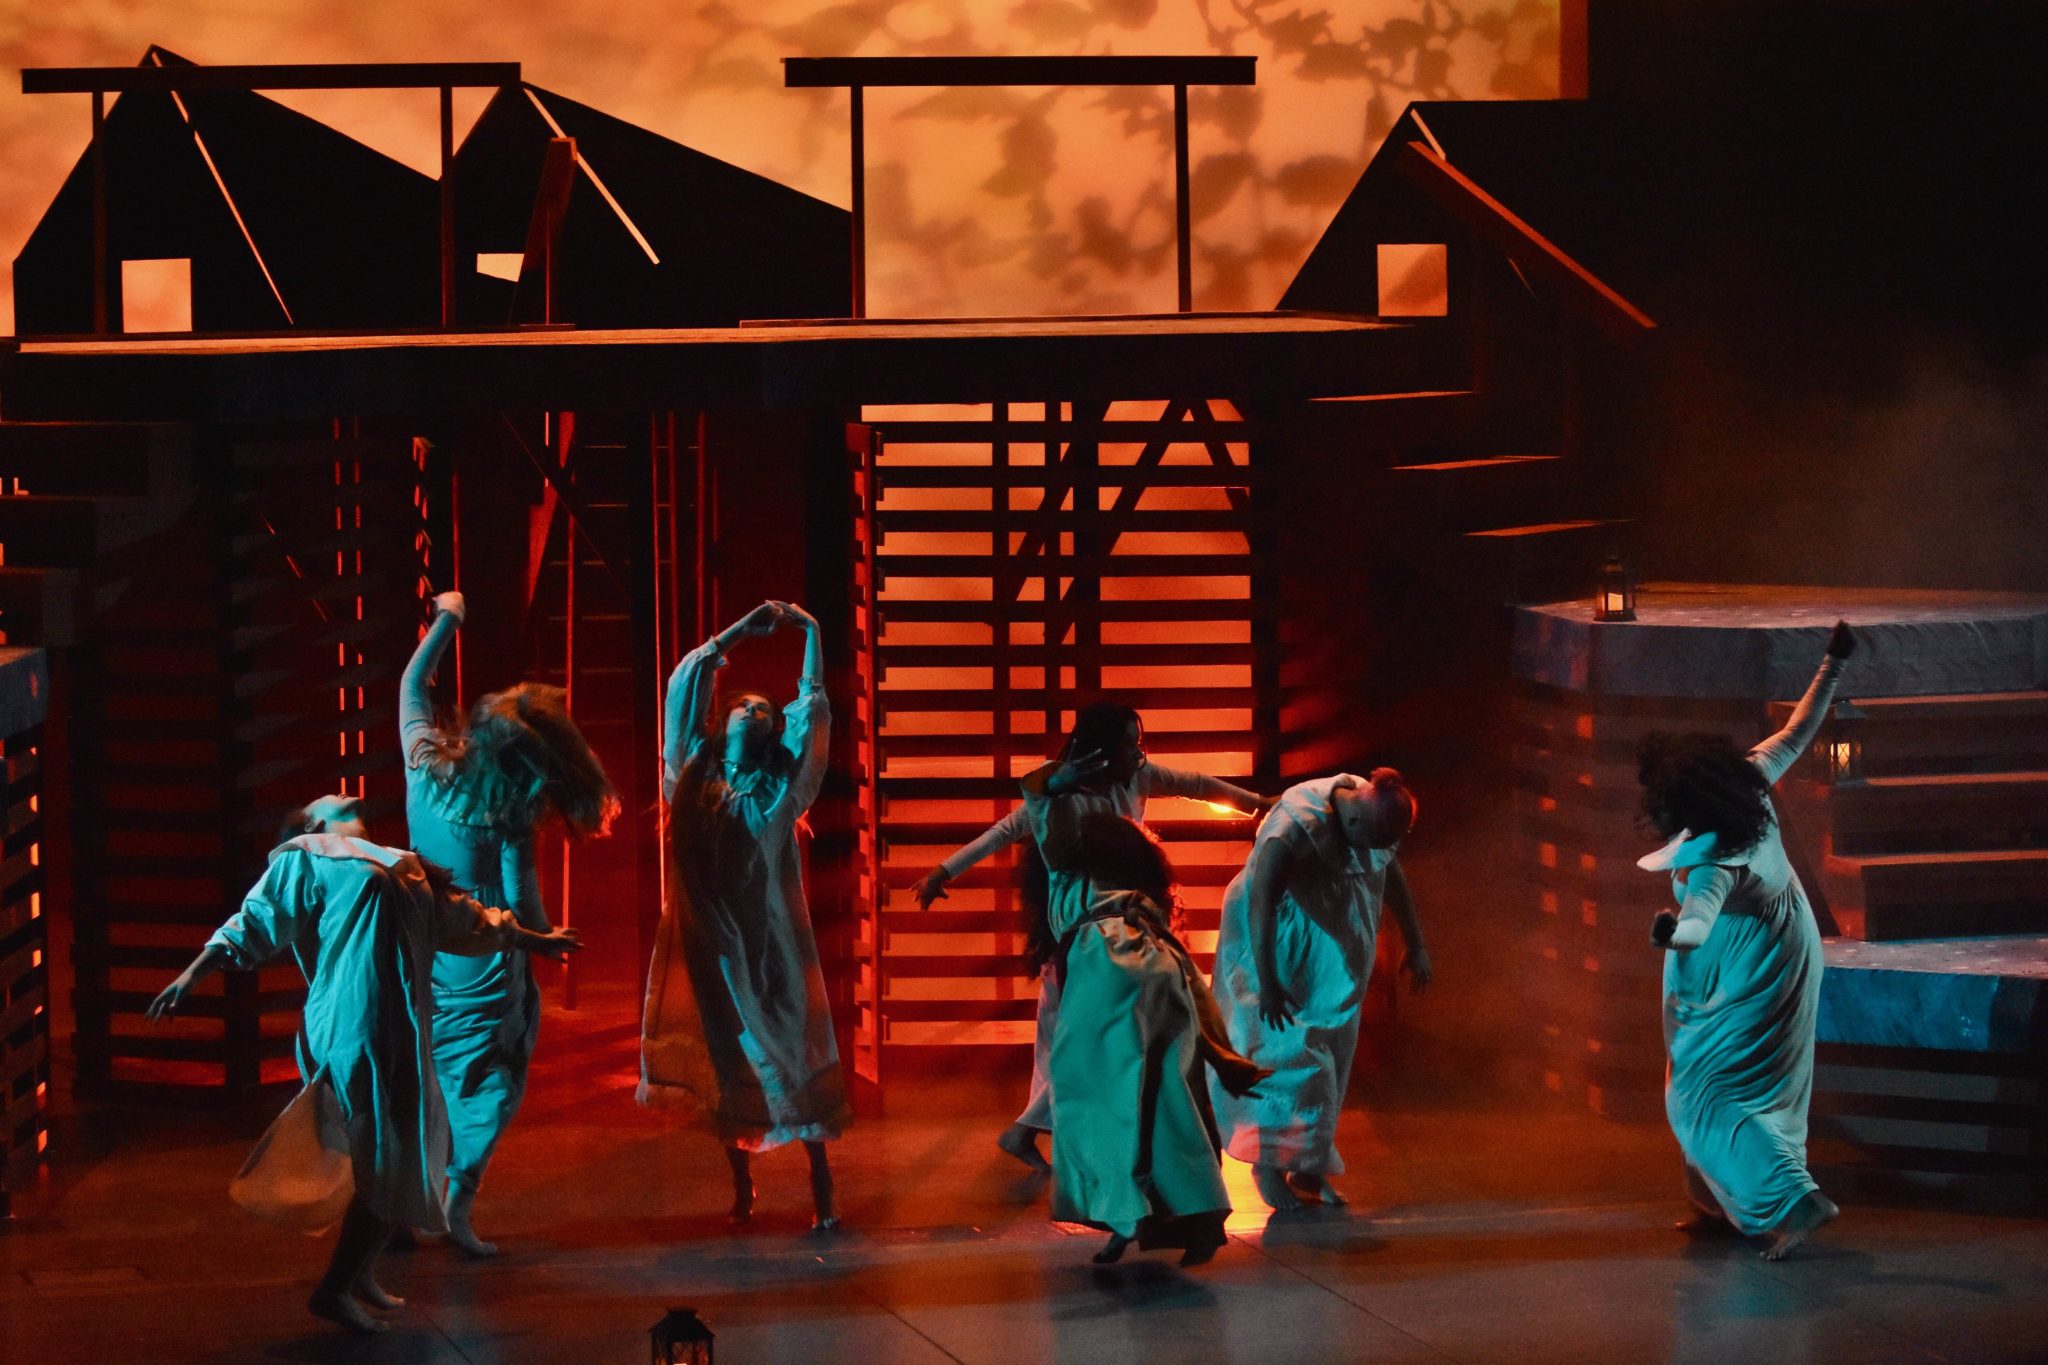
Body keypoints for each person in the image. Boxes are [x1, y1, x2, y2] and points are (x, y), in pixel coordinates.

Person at [147, 795, 581, 1333]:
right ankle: (335, 1289)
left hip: (400, 1026)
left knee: (396, 1153)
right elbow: (254, 919)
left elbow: (468, 922)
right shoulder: (311, 854)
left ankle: (357, 1276)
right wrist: (194, 974)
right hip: (356, 1021)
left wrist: (535, 938)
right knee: (392, 1155)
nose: (342, 794)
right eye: (326, 800)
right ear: (313, 821)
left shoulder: (402, 867)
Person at [914, 701, 1268, 1171]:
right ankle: (1057, 1133)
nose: (1137, 752)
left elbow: (1195, 785)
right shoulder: (1059, 794)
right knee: (1088, 1030)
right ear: (1102, 749)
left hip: (1122, 918)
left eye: (1138, 743)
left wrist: (1259, 806)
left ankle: (1026, 1132)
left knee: (1065, 1033)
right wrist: (944, 872)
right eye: (1128, 743)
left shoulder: (1135, 778)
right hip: (1086, 925)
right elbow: (1008, 827)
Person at [401, 589, 618, 1255]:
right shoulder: (509, 815)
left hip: (428, 948)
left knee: (428, 1075)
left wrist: (450, 618)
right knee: (491, 1082)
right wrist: (546, 939)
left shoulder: (423, 764)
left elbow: (413, 681)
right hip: (487, 957)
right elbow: (521, 896)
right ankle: (453, 1207)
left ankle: (412, 1203)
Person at [1636, 619, 1855, 1260]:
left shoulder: (1716, 862)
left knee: (1711, 1089)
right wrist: (1832, 664)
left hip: (1753, 964)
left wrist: (1674, 934)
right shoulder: (1750, 783)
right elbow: (1799, 729)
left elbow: (1700, 919)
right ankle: (1713, 1205)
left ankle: (1797, 1200)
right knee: (1701, 1077)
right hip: (1767, 945)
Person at [640, 600, 848, 1228]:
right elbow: (684, 684)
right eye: (743, 704)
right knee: (730, 1059)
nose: (754, 711)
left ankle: (821, 1185)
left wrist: (811, 629)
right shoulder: (690, 776)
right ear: (723, 719)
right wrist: (738, 631)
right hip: (712, 943)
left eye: (762, 708)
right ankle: (742, 1188)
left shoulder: (785, 786)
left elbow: (811, 712)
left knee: (787, 1048)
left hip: (771, 941)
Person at [1021, 761, 1266, 1266]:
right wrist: (1219, 1051)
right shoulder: (1141, 902)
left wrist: (1066, 778)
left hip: (1109, 990)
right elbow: (1184, 976)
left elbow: (1036, 794)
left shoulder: (1070, 886)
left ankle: (1124, 1216)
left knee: (1099, 1111)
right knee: (1169, 1107)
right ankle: (1173, 1219)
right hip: (1157, 982)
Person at [1208, 769, 1432, 1211]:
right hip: (1276, 948)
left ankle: (1308, 1167)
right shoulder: (1294, 829)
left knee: (1333, 1057)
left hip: (1331, 953)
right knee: (1286, 1056)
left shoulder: (1371, 821)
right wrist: (1268, 982)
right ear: (1353, 825)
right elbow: (1261, 906)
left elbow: (1393, 876)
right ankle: (1268, 1164)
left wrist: (1416, 942)